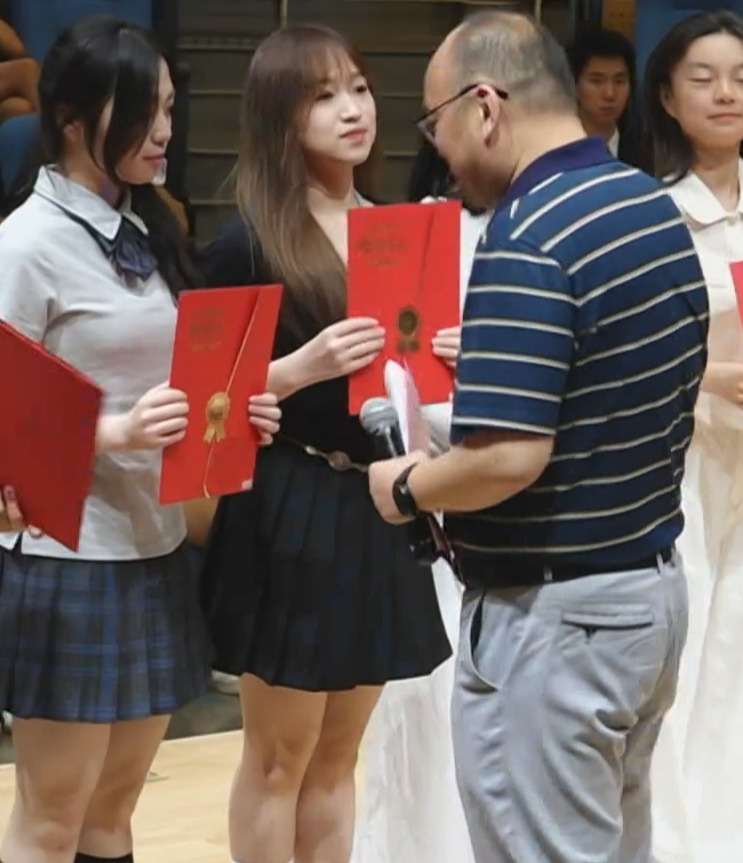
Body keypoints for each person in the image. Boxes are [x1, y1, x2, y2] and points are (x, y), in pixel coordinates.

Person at [366, 11, 706, 863]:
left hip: (557, 617)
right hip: (647, 593)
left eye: (434, 123)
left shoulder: (527, 234)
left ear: (485, 107)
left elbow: (509, 457)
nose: (439, 150)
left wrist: (405, 485)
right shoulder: (643, 200)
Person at [0, 15, 279, 863]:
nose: (164, 129)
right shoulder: (25, 245)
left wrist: (238, 409)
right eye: (143, 110)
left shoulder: (149, 229)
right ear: (75, 120)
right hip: (65, 558)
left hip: (154, 547)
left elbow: (183, 380)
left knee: (115, 812)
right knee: (53, 815)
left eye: (167, 107)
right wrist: (115, 429)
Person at [197, 25, 453, 863]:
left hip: (380, 497)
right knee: (278, 757)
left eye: (359, 89)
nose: (352, 110)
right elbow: (204, 401)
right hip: (289, 504)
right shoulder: (248, 239)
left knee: (340, 756)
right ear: (279, 115)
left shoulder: (399, 232)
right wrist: (298, 367)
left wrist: (452, 359)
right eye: (323, 95)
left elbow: (417, 391)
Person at [639, 13, 743, 863]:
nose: (724, 93)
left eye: (741, 76)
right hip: (675, 459)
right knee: (681, 649)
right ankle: (665, 840)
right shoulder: (644, 209)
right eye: (702, 77)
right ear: (667, 96)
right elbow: (618, 348)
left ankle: (737, 840)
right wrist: (710, 379)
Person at [352, 143, 487, 863]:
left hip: (505, 489)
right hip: (423, 482)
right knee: (421, 696)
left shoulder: (541, 230)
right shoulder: (414, 231)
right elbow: (386, 377)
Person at [567, 23, 642, 165]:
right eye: (596, 81)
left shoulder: (649, 151)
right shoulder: (556, 151)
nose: (610, 94)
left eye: (619, 81)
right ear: (573, 85)